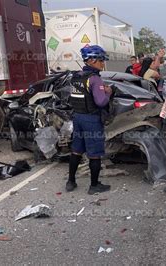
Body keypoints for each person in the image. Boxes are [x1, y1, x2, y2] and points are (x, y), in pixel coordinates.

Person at [66, 45, 112, 195]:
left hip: (77, 118)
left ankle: (71, 181)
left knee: (76, 150)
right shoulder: (95, 79)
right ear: (91, 60)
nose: (103, 63)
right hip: (91, 119)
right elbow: (101, 102)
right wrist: (108, 93)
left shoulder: (76, 76)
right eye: (101, 60)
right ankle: (94, 186)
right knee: (94, 153)